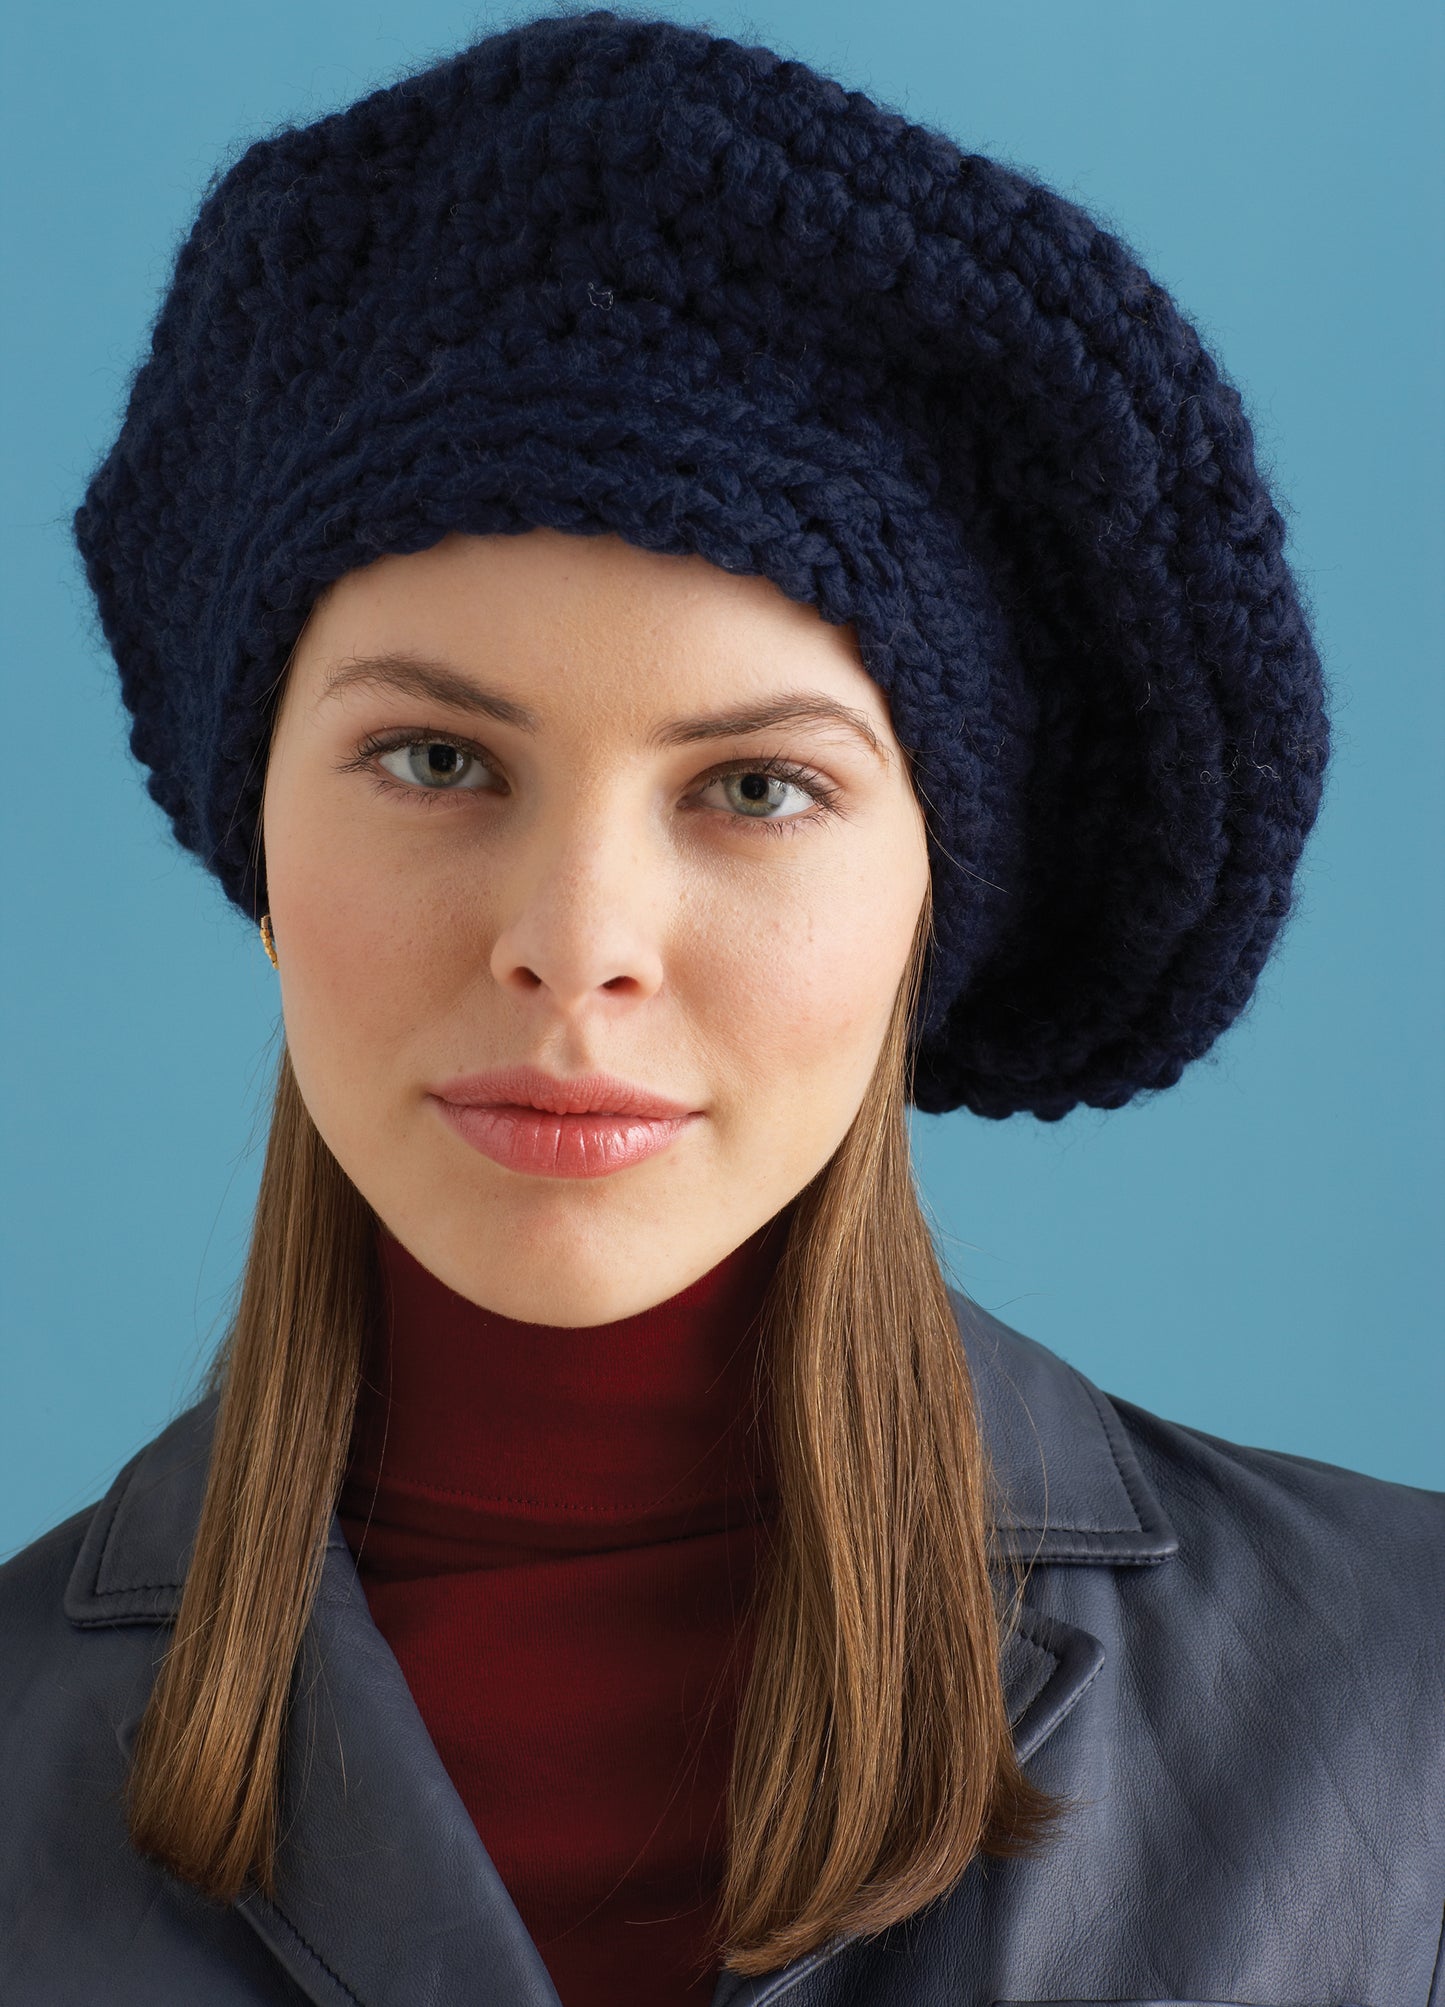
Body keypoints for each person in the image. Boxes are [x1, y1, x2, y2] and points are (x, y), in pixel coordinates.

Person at [2, 9, 1440, 2005]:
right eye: (435, 760)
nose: (573, 941)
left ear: (932, 901)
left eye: (755, 788)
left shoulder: (1406, 1701)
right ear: (257, 845)